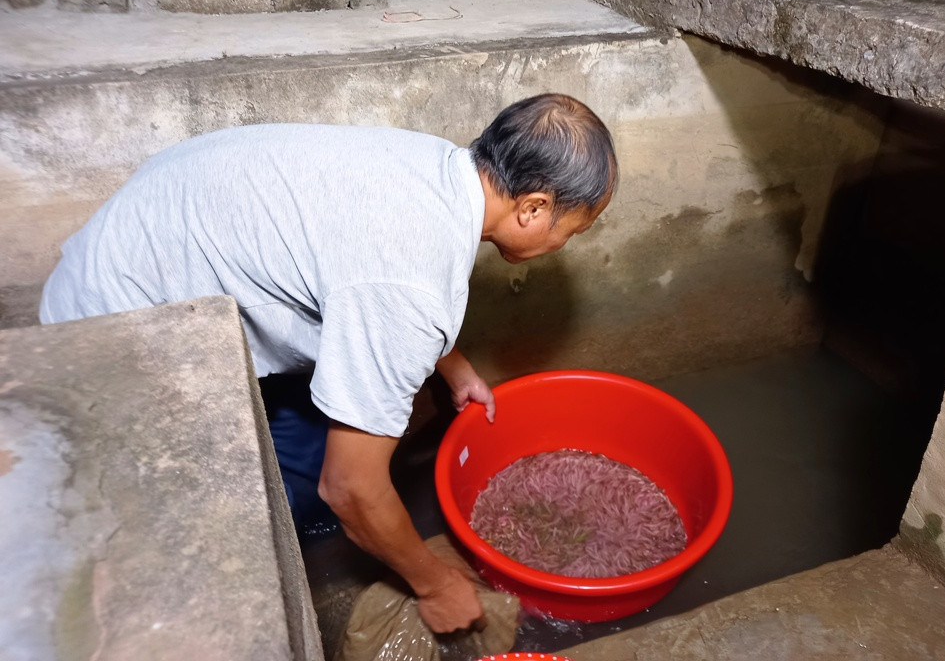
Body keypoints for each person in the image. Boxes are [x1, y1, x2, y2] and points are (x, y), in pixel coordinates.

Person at [38, 92, 618, 634]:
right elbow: (352, 489)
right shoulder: (411, 284)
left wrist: (454, 366)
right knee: (215, 515)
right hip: (117, 329)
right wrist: (435, 583)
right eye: (573, 228)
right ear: (535, 208)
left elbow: (372, 271)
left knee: (318, 445)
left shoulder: (437, 166)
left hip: (142, 244)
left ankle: (302, 523)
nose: (563, 243)